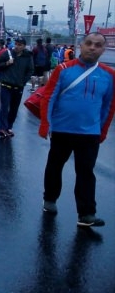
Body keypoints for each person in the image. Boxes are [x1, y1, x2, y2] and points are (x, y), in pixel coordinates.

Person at [38, 32, 115, 227]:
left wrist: (103, 130)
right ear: (81, 45)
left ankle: (86, 213)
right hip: (62, 130)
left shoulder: (109, 75)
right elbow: (49, 97)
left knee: (86, 172)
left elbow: (109, 105)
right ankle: (50, 199)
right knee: (55, 166)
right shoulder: (63, 69)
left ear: (103, 50)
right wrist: (46, 124)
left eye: (97, 45)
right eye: (88, 43)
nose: (92, 47)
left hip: (90, 133)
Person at [0, 37, 34, 138]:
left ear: (24, 46)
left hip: (18, 86)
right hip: (6, 85)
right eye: (16, 44)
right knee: (4, 107)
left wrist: (23, 81)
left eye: (20, 45)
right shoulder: (7, 53)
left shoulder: (28, 56)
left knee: (14, 108)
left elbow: (30, 70)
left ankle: (9, 127)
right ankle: (3, 128)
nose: (17, 46)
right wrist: (7, 63)